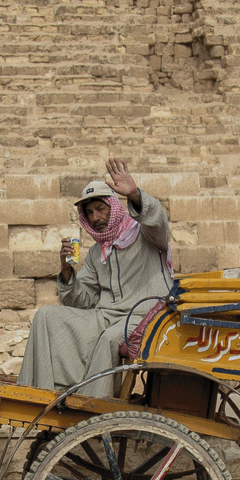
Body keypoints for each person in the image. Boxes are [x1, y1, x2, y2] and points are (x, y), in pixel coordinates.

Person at [18, 158, 173, 395]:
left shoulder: (145, 234)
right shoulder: (95, 252)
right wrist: (67, 272)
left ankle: (95, 408)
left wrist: (134, 195)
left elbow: (158, 220)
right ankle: (43, 393)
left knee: (109, 339)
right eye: (89, 212)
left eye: (100, 209)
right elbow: (82, 301)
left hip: (146, 313)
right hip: (107, 315)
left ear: (114, 207)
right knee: (47, 315)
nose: (95, 217)